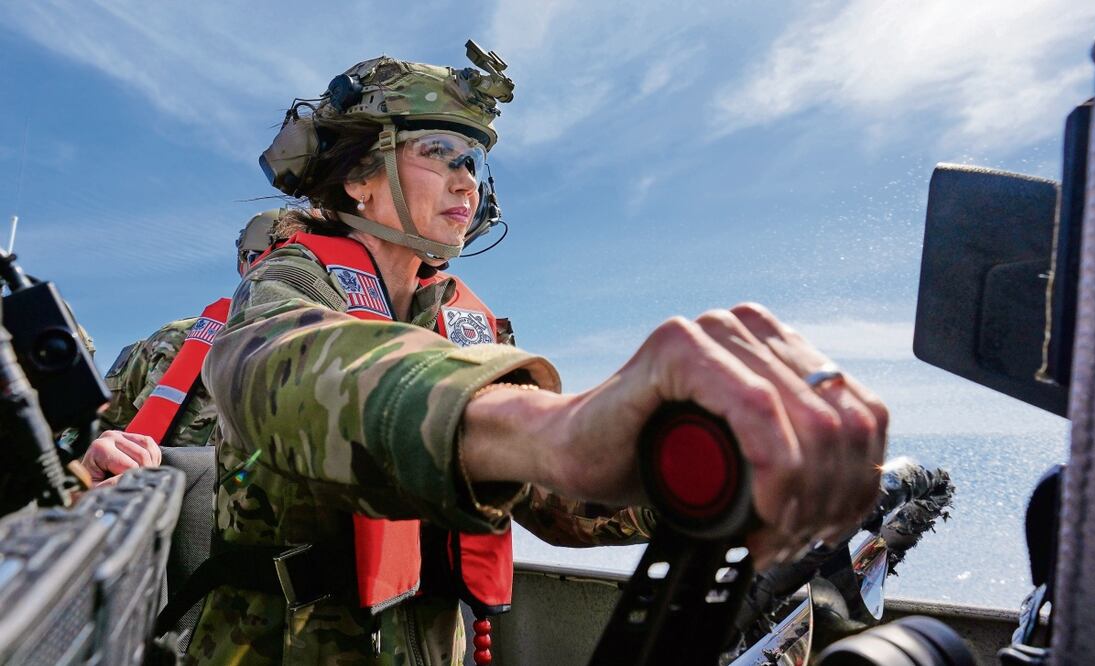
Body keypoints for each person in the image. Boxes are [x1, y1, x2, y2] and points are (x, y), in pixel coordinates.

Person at [186, 45, 887, 665]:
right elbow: (275, 374)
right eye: (438, 154)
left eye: (475, 161)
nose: (468, 181)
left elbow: (555, 497)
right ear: (358, 176)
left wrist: (706, 479)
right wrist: (546, 426)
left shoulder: (467, 321)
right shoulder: (293, 279)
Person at [80, 210, 283, 485]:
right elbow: (86, 434)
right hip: (150, 512)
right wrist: (89, 466)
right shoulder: (173, 341)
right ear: (242, 266)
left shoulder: (333, 360)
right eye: (257, 257)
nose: (269, 272)